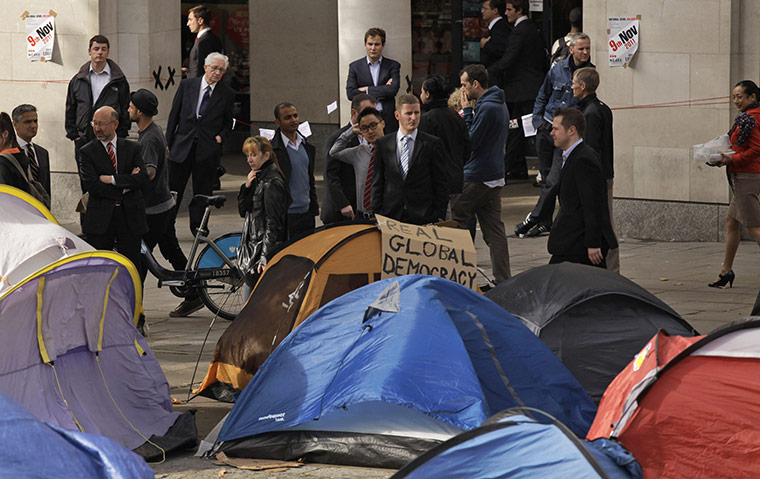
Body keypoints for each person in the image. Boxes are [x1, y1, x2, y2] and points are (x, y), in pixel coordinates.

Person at [515, 32, 593, 238]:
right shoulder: (557, 70)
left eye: (588, 48)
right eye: (581, 48)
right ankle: (545, 222)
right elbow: (543, 95)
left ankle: (533, 218)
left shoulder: (588, 74)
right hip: (547, 128)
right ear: (571, 50)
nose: (585, 52)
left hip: (566, 138)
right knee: (547, 179)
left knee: (554, 181)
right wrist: (538, 122)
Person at [452, 64, 511, 283]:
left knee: (455, 219)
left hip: (477, 176)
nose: (462, 91)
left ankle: (460, 276)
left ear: (475, 84)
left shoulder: (487, 108)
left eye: (464, 85)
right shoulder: (497, 103)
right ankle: (503, 279)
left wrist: (467, 112)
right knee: (494, 230)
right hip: (494, 176)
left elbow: (470, 141)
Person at [166, 52, 234, 235]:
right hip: (182, 145)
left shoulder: (226, 93)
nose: (217, 73)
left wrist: (220, 137)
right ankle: (165, 224)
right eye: (215, 68)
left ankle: (199, 227)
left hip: (207, 149)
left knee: (202, 190)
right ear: (205, 67)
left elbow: (229, 123)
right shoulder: (188, 85)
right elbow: (174, 115)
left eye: (221, 70)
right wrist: (168, 142)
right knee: (174, 188)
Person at [78, 106, 149, 272]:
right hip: (101, 220)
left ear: (115, 124)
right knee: (100, 269)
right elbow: (93, 186)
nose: (97, 128)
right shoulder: (87, 152)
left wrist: (111, 179)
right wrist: (125, 187)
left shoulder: (132, 148)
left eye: (101, 124)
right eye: (94, 123)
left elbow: (142, 178)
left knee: (132, 268)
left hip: (129, 217)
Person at [546, 107, 616, 268]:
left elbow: (592, 204)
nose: (551, 133)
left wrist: (593, 243)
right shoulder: (573, 156)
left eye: (556, 128)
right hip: (571, 242)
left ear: (571, 130)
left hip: (579, 245)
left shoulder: (584, 160)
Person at [487, 0, 547, 181]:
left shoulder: (520, 32)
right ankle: (516, 167)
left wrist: (487, 72)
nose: (506, 13)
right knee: (518, 129)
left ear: (520, 10)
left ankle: (525, 169)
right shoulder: (532, 29)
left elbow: (508, 60)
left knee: (524, 129)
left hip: (522, 91)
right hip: (528, 89)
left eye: (509, 9)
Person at [709, 80, 760, 288]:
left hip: (747, 176)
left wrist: (732, 160)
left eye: (740, 97)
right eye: (734, 97)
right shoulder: (749, 117)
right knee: (732, 222)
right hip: (742, 175)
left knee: (754, 227)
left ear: (752, 97)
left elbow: (756, 149)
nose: (736, 101)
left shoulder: (751, 118)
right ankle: (725, 271)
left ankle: (725, 271)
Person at [65, 34, 130, 191]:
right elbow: (70, 108)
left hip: (109, 140)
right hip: (84, 139)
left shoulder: (118, 80)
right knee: (87, 184)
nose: (99, 52)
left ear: (108, 52)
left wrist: (120, 134)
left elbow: (125, 107)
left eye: (103, 49)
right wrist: (74, 134)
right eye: (96, 49)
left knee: (109, 181)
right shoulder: (78, 79)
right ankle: (88, 215)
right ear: (89, 51)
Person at [371, 94, 448, 225]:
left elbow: (440, 182)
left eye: (417, 113)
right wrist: (377, 213)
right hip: (391, 215)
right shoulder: (384, 144)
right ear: (397, 115)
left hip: (423, 216)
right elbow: (378, 182)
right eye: (408, 113)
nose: (414, 117)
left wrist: (438, 215)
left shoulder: (431, 143)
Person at [572, 67, 620, 272]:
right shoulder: (601, 108)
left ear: (583, 87)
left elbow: (591, 150)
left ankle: (611, 268)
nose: (571, 86)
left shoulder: (590, 113)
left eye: (574, 82)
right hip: (604, 173)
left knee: (605, 223)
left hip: (599, 177)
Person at [237, 136, 290, 296]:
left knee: (254, 303)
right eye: (247, 155)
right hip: (255, 248)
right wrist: (246, 187)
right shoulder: (257, 176)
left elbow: (273, 222)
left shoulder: (272, 181)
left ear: (266, 155)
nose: (249, 159)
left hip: (262, 250)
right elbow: (243, 211)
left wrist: (266, 256)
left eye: (253, 155)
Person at [321, 93, 377, 224]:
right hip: (341, 210)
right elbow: (330, 174)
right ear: (354, 112)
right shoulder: (338, 138)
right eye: (367, 112)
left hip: (364, 210)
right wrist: (342, 204)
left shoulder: (373, 137)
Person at [270, 102, 319, 238]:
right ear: (277, 122)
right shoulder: (273, 151)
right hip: (286, 215)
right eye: (288, 117)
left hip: (306, 213)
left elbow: (309, 179)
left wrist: (313, 209)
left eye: (295, 116)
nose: (293, 120)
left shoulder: (305, 146)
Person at [419, 74, 471, 201]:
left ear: (427, 94)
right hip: (455, 179)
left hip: (435, 182)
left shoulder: (426, 120)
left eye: (421, 92)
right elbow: (467, 149)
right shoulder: (456, 117)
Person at [329, 107, 385, 219]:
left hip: (384, 216)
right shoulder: (360, 151)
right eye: (364, 128)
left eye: (373, 125)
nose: (370, 131)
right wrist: (350, 132)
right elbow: (334, 152)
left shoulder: (394, 150)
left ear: (382, 124)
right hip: (362, 215)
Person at [346, 27, 401, 132]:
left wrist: (366, 90)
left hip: (387, 119)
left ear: (383, 45)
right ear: (365, 45)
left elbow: (393, 90)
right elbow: (350, 93)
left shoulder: (393, 65)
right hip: (364, 118)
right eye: (370, 44)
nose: (373, 48)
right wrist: (383, 89)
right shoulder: (355, 67)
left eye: (377, 44)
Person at [12, 104, 51, 196]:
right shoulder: (9, 152)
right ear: (15, 124)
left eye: (35, 121)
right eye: (28, 122)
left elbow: (46, 188)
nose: (33, 125)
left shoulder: (42, 153)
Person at [185, 4, 223, 79]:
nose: (188, 24)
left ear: (200, 21)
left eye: (190, 19)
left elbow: (202, 69)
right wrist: (188, 71)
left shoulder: (204, 41)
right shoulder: (209, 38)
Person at [479, 0, 510, 69]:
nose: (482, 11)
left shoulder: (501, 28)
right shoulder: (495, 27)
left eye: (485, 9)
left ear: (495, 11)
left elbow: (502, 50)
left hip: (496, 73)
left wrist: (485, 45)